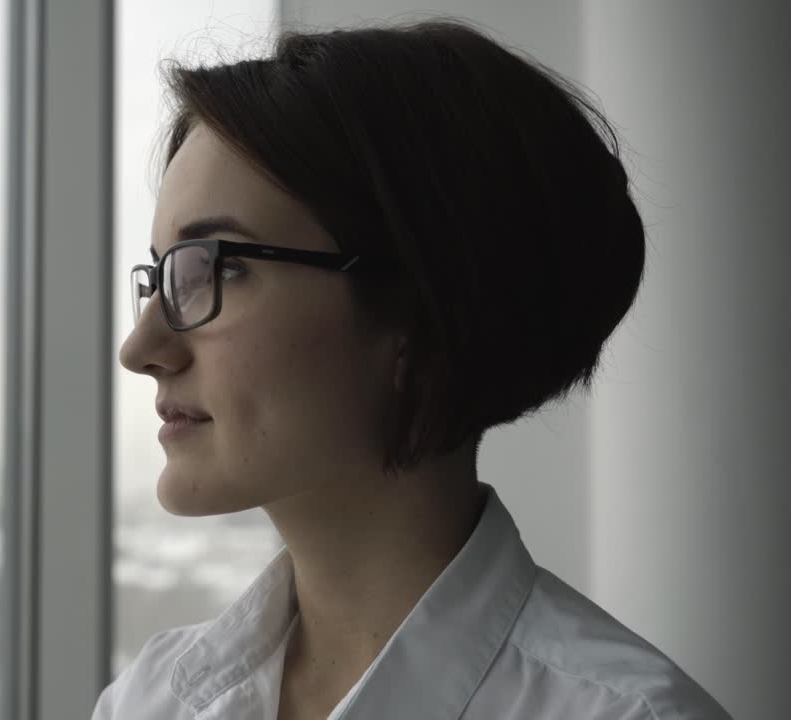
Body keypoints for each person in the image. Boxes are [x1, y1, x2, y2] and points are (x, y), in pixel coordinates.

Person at [94, 16, 732, 720]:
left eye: (222, 266)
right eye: (162, 274)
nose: (141, 346)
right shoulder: (149, 702)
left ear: (421, 314)